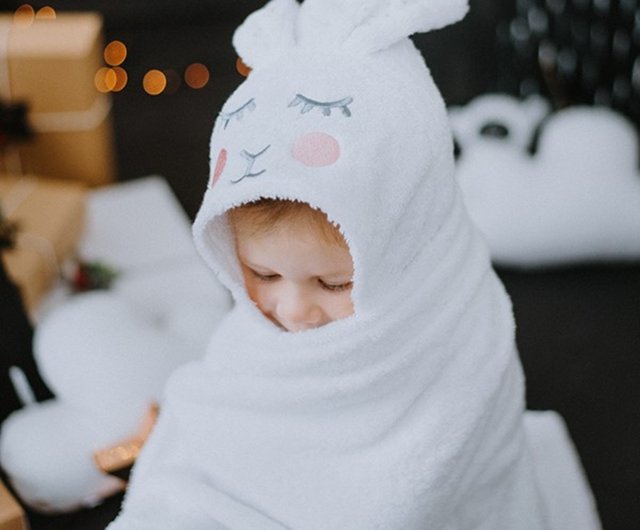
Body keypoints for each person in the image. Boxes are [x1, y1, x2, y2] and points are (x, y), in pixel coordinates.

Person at [108, 0, 601, 528]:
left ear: (409, 251)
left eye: (334, 281)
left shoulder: (457, 333)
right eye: (264, 274)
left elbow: (414, 493)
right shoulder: (256, 325)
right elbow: (226, 416)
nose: (293, 310)